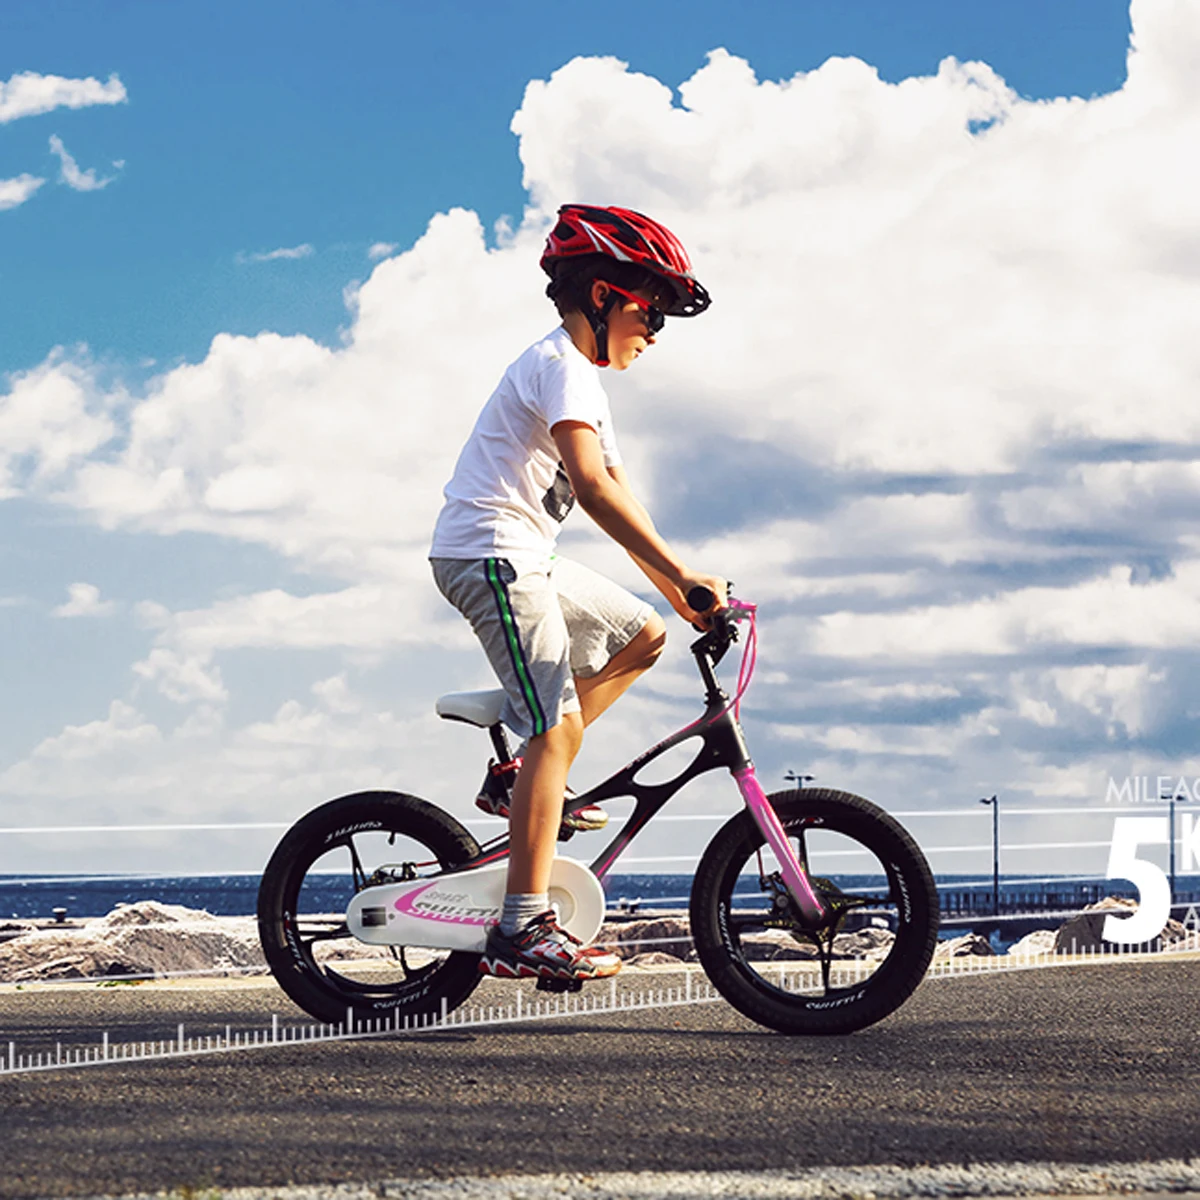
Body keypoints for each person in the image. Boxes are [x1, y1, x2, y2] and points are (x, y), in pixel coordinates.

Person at [429, 204, 727, 982]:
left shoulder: (584, 382)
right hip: (489, 553)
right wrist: (684, 576)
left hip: (526, 555)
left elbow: (622, 494)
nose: (655, 331)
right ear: (601, 296)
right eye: (649, 309)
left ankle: (522, 774)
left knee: (645, 634)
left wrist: (681, 591)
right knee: (555, 729)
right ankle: (523, 926)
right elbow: (590, 489)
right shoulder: (558, 364)